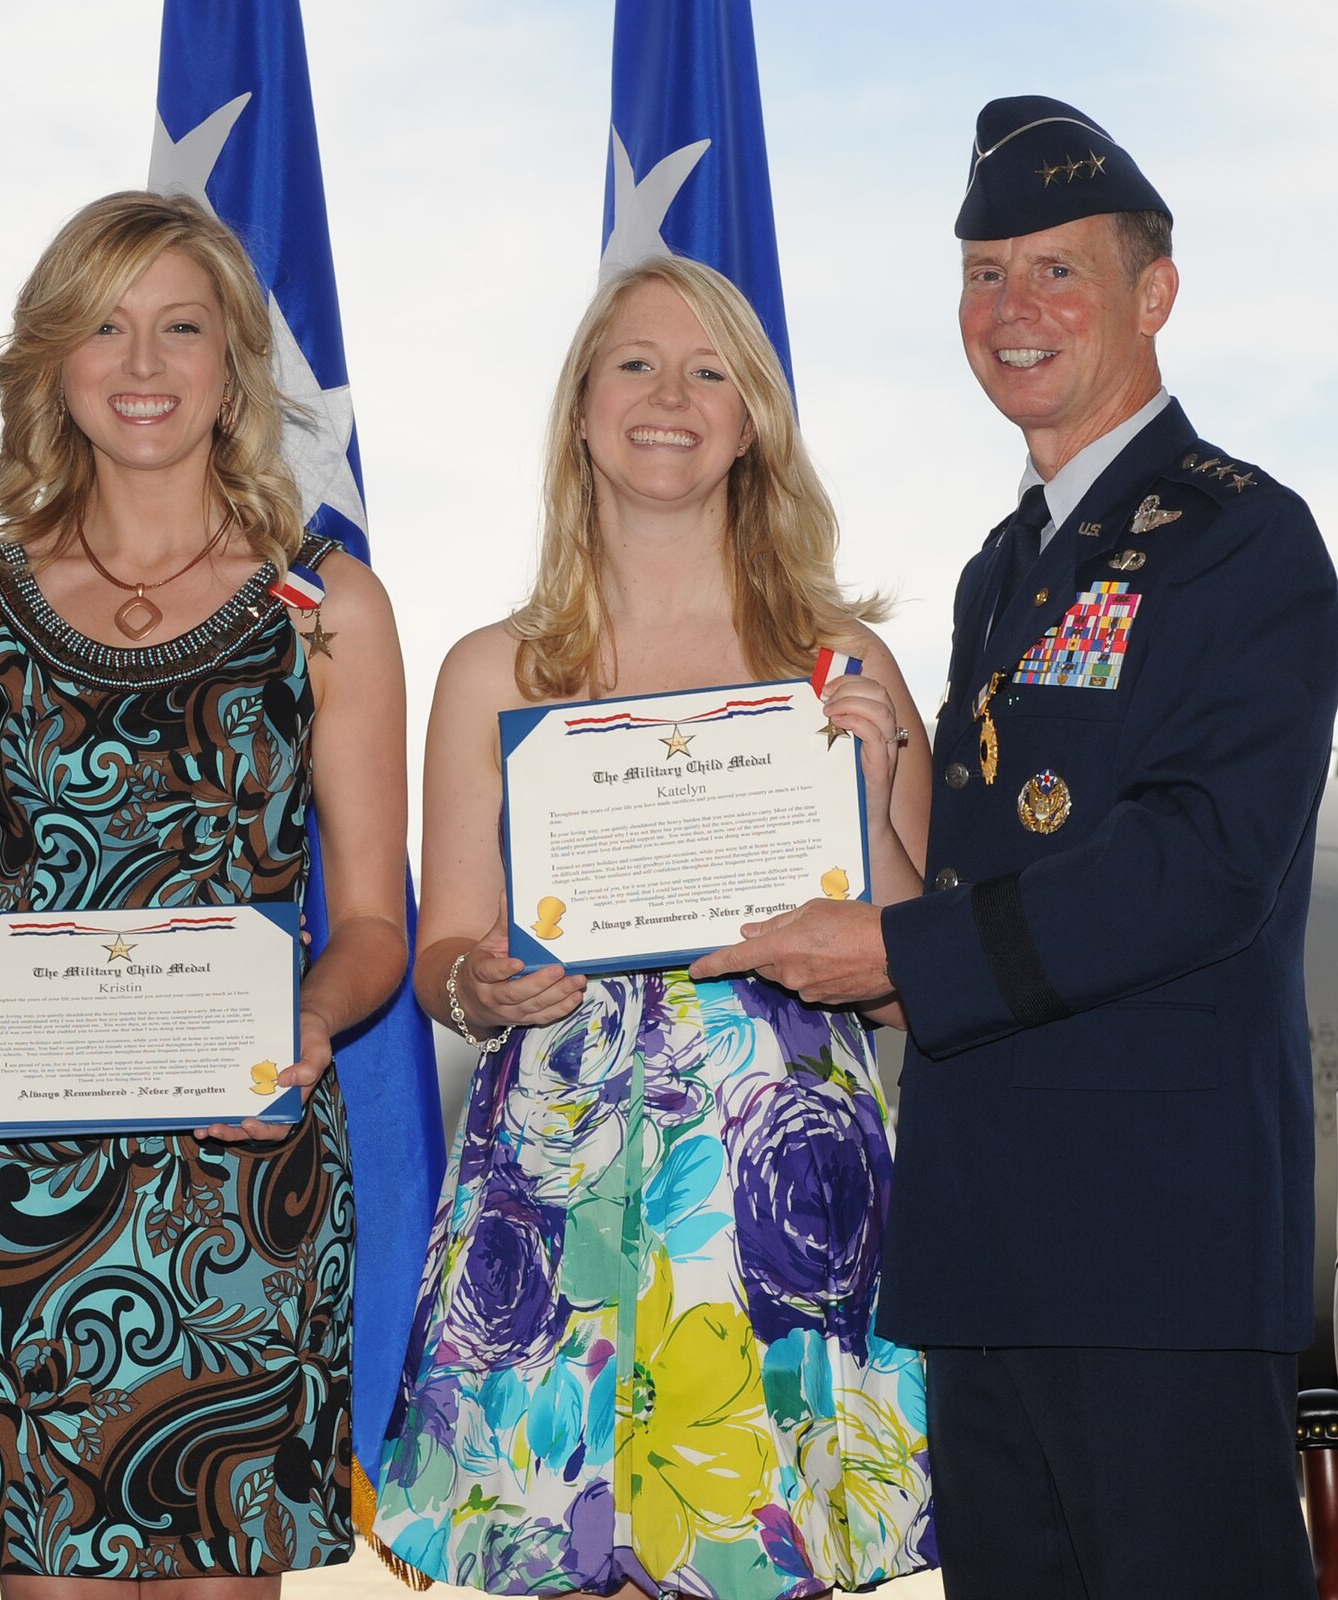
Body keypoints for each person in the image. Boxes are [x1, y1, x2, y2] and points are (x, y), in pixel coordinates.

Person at [694, 96, 1338, 1599]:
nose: (1013, 308)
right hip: (988, 1251)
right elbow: (984, 900)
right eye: (986, 272)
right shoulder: (1004, 569)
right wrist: (858, 835)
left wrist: (895, 950)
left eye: (1057, 270)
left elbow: (1201, 865)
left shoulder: (1244, 539)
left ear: (1152, 293)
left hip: (1156, 1256)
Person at [371, 255, 936, 1600]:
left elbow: (922, 986)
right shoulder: (490, 670)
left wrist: (867, 802)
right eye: (634, 362)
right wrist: (485, 986)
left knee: (759, 1564)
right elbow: (443, 953)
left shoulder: (842, 666)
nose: (670, 395)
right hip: (556, 1175)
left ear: (754, 424)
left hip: (776, 1189)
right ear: (579, 409)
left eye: (710, 369)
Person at [0, 191, 408, 1591]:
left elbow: (370, 932)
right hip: (18, 1191)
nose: (145, 362)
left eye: (182, 326)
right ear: (53, 359)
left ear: (234, 364)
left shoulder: (327, 605)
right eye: (107, 326)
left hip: (244, 1179)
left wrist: (309, 1021)